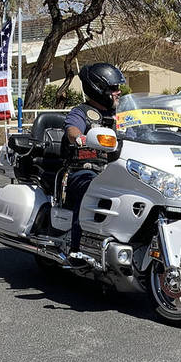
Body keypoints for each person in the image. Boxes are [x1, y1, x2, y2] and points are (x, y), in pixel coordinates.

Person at [63, 62, 126, 253]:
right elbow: (71, 130)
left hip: (118, 170)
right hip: (85, 171)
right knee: (89, 191)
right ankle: (76, 250)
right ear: (98, 90)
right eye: (114, 88)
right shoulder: (81, 113)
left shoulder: (123, 114)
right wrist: (80, 138)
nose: (119, 92)